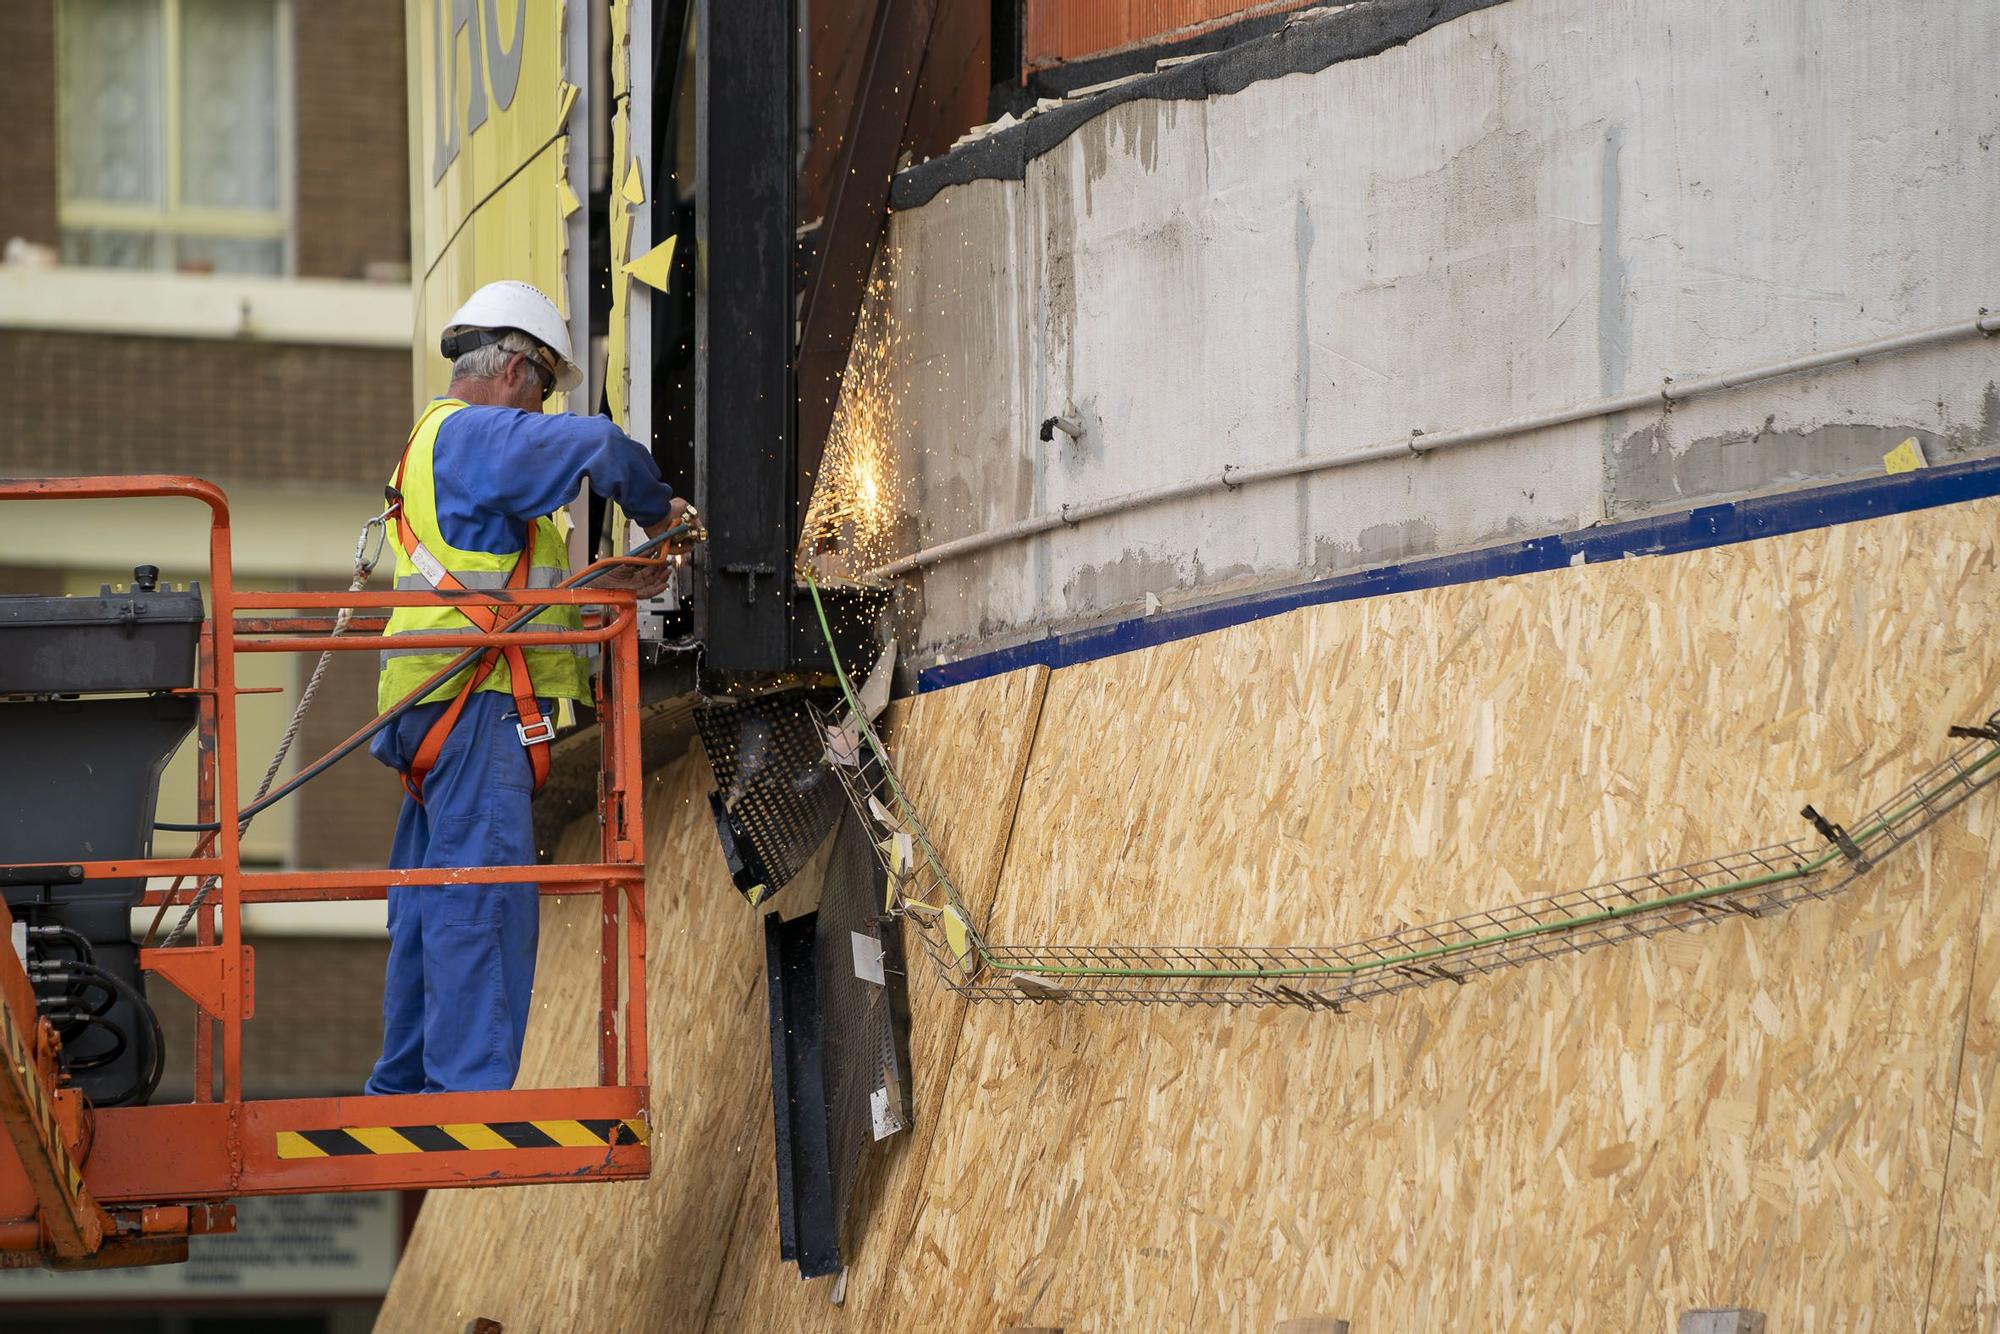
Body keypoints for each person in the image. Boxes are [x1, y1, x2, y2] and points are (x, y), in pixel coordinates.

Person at [365, 280, 686, 1095]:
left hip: (427, 703)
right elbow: (601, 449)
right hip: (472, 709)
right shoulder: (480, 436)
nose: (542, 409)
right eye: (543, 388)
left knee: (426, 905)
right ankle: (466, 1096)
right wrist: (662, 521)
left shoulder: (435, 445)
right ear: (514, 369)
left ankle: (403, 1089)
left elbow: (500, 594)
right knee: (482, 897)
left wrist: (598, 598)